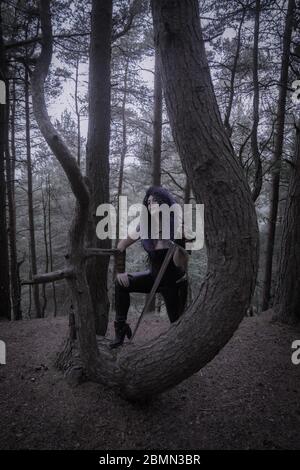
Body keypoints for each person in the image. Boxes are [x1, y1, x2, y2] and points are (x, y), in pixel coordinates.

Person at [109, 185, 189, 349]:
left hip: (174, 283)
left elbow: (179, 263)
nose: (151, 204)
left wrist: (180, 244)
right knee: (121, 284)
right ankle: (121, 328)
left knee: (177, 327)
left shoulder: (178, 226)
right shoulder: (144, 227)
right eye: (149, 202)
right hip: (153, 277)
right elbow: (121, 245)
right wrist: (120, 271)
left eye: (155, 201)